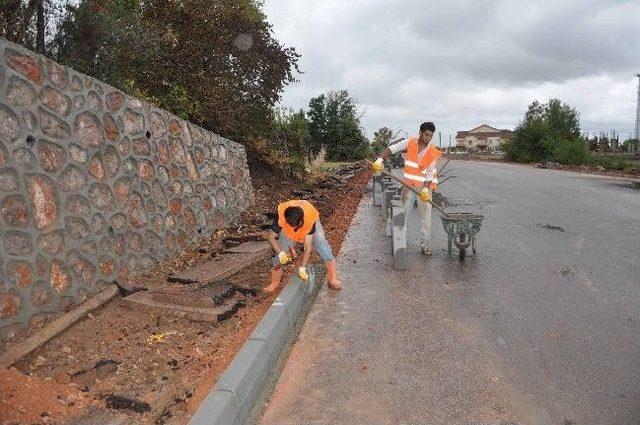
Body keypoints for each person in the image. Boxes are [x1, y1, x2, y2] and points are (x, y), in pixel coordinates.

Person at [371, 121, 442, 255]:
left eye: (430, 136)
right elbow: (392, 149)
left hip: (425, 189)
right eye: (426, 134)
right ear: (420, 133)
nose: (428, 138)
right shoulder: (410, 143)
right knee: (403, 216)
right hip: (409, 187)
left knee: (426, 219)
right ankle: (400, 245)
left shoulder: (433, 152)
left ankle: (425, 246)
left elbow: (429, 173)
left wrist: (426, 190)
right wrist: (380, 160)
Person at [263, 199, 341, 293]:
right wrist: (281, 254)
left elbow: (308, 247)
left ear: (301, 220)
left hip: (308, 222)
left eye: (297, 225)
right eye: (293, 225)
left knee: (322, 246)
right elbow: (271, 237)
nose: (296, 228)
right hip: (288, 231)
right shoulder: (280, 215)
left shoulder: (309, 218)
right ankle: (274, 283)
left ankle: (332, 277)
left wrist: (303, 268)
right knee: (280, 255)